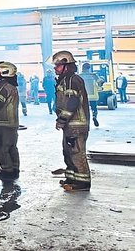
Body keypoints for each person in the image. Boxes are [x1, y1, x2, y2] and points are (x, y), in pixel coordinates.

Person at [52, 51, 92, 191]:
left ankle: (82, 182)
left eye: (58, 65)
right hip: (70, 125)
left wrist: (62, 119)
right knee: (68, 152)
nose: (55, 68)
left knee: (76, 153)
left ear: (66, 66)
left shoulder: (72, 80)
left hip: (76, 124)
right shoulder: (65, 80)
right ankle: (72, 178)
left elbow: (72, 101)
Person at [0, 61, 21, 180]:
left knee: (1, 148)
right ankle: (14, 169)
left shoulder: (3, 87)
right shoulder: (12, 86)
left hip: (2, 123)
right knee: (12, 147)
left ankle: (7, 171)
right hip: (12, 124)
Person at [79, 63, 100, 127]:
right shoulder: (94, 75)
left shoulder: (79, 76)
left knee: (84, 109)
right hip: (93, 96)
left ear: (82, 68)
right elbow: (100, 82)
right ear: (89, 68)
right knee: (94, 108)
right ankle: (94, 116)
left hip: (83, 96)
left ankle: (85, 121)